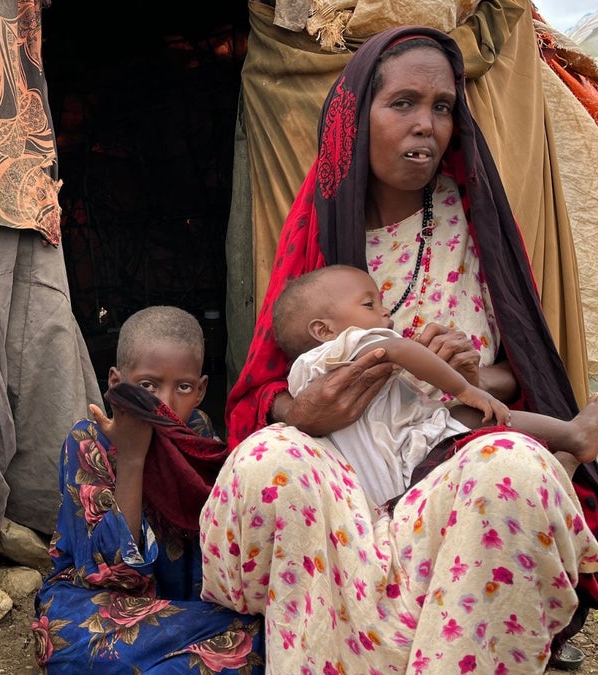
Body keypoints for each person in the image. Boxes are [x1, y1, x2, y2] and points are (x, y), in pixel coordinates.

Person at [199, 27, 598, 672]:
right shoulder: (319, 232)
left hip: (442, 481)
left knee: (515, 470)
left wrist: (471, 375)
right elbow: (259, 398)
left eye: (443, 107)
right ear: (358, 118)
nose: (426, 126)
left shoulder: (476, 225)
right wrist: (304, 414)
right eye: (403, 103)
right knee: (274, 457)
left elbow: (516, 378)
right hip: (338, 491)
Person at [34, 306, 263, 672]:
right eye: (147, 386)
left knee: (261, 631)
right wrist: (133, 459)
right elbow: (108, 573)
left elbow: (221, 531)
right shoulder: (87, 440)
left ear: (202, 390)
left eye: (183, 387)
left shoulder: (199, 434)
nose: (165, 404)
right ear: (115, 382)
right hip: (98, 599)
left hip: (185, 602)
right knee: (70, 641)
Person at [275, 265, 598, 506]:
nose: (385, 310)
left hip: (370, 486)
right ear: (323, 329)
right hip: (410, 451)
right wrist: (466, 389)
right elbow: (401, 349)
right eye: (369, 304)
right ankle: (573, 435)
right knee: (471, 415)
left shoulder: (301, 375)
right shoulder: (350, 342)